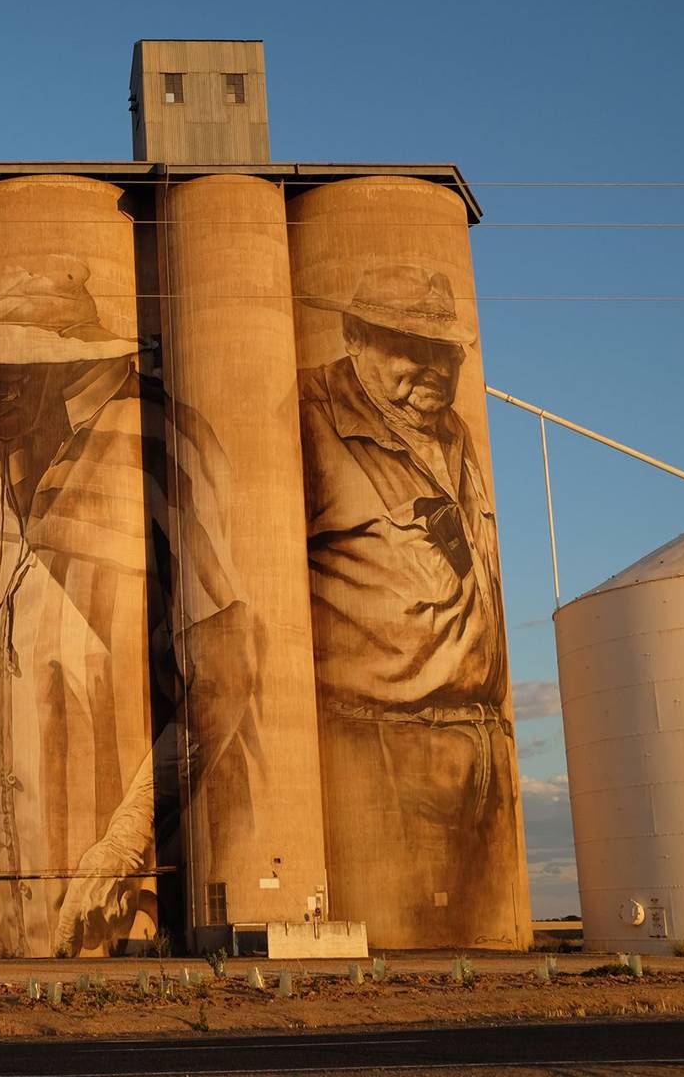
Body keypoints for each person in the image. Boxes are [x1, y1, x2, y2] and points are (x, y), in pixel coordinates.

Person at [0, 255, 253, 957]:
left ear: (63, 369)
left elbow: (224, 678)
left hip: (124, 890)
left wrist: (124, 843)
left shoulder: (155, 440)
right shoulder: (19, 464)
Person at [298, 263, 521, 944]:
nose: (431, 367)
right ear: (355, 336)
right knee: (396, 944)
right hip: (383, 753)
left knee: (487, 956)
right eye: (407, 346)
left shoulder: (456, 435)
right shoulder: (307, 418)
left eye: (443, 351)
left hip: (484, 749)